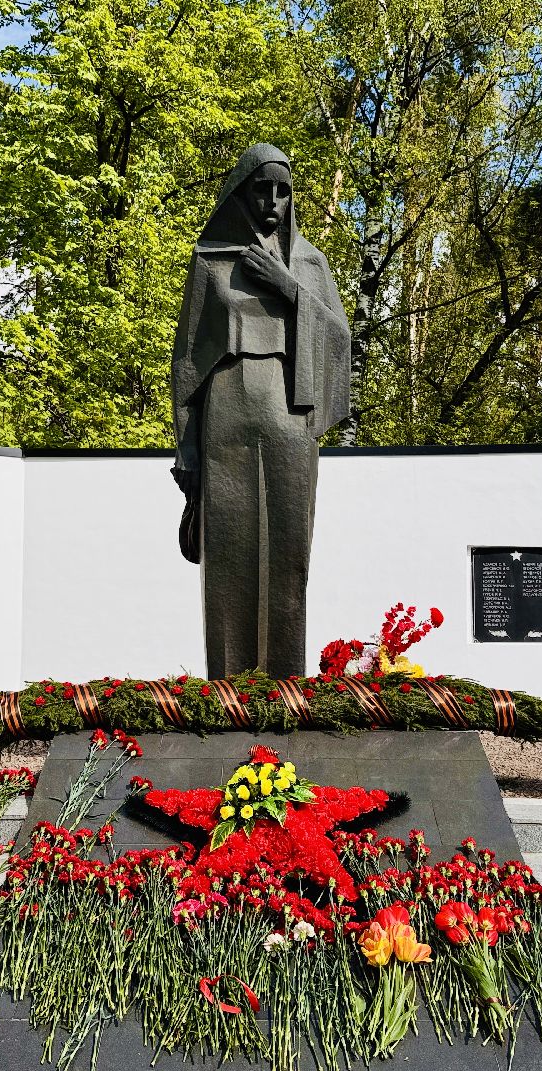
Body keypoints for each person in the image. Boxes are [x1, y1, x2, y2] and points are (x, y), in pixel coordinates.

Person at [171, 143, 350, 678]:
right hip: (227, 408)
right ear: (241, 193)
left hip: (291, 414)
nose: (272, 201)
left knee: (288, 548)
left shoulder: (310, 264)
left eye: (282, 191)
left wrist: (288, 288)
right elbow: (186, 360)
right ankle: (228, 686)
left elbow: (339, 340)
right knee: (227, 553)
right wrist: (187, 447)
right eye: (260, 189)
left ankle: (285, 685)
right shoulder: (211, 261)